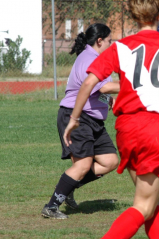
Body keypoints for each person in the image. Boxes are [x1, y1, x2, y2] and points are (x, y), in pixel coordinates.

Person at [62, 0, 159, 237]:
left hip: (127, 128)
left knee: (151, 203)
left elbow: (89, 82)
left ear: (133, 16)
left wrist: (74, 118)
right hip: (158, 128)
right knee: (144, 205)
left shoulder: (121, 47)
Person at [41, 23, 120, 219]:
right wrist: (134, 84)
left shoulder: (96, 57)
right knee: (83, 165)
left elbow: (97, 89)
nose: (112, 44)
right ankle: (51, 207)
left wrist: (106, 99)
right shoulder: (88, 58)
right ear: (100, 41)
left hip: (92, 120)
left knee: (110, 161)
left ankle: (68, 186)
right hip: (76, 117)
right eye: (110, 41)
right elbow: (101, 87)